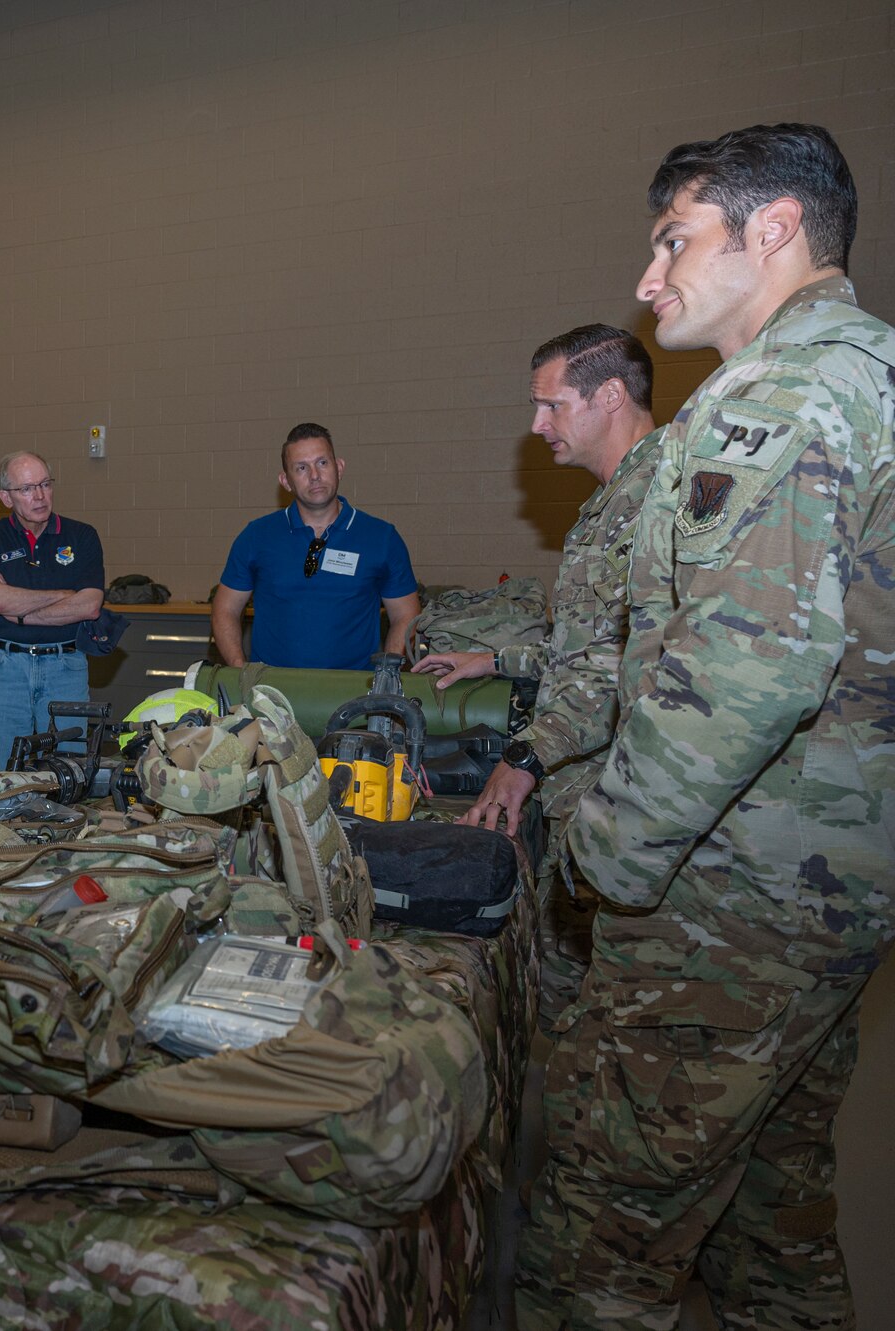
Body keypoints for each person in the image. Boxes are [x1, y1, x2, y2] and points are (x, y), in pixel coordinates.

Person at [516, 124, 894, 1330]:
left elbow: (743, 666)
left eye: (672, 240)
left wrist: (599, 861)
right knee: (766, 1218)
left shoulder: (788, 389)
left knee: (595, 1235)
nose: (647, 278)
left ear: (772, 227)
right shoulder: (858, 370)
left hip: (731, 892)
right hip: (818, 883)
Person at [413, 325, 663, 1030]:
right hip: (586, 799)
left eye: (550, 405)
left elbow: (627, 673)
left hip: (624, 808)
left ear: (609, 395)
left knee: (611, 1026)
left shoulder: (661, 501)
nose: (537, 424)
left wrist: (523, 757)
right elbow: (590, 643)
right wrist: (493, 660)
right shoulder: (612, 501)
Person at [212, 423, 421, 669]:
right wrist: (239, 669)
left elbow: (406, 616)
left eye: (322, 463)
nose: (314, 475)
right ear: (286, 481)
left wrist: (386, 675)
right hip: (271, 697)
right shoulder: (256, 537)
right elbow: (224, 609)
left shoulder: (382, 538)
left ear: (339, 467)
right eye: (301, 468)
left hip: (354, 696)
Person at [0, 452, 105, 774]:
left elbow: (89, 606)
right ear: (6, 497)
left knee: (69, 770)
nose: (40, 496)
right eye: (28, 488)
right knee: (3, 774)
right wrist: (64, 595)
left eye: (45, 484)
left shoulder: (82, 536)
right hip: (4, 668)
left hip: (65, 666)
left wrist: (18, 611)